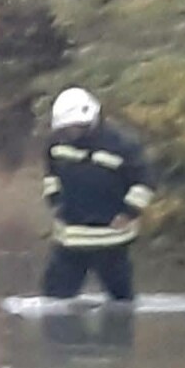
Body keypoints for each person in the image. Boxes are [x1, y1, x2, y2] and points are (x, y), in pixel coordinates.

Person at [41, 87, 155, 301]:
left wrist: (129, 212)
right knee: (54, 300)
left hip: (112, 240)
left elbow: (145, 182)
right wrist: (55, 201)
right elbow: (51, 175)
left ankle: (119, 332)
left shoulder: (122, 146)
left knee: (121, 302)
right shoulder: (56, 144)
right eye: (66, 129)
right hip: (70, 239)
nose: (69, 133)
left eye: (74, 127)